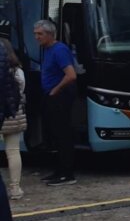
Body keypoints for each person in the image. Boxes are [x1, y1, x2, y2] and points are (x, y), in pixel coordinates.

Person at [33, 19, 77, 185]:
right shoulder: (47, 50)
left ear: (50, 34)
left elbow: (71, 75)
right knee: (54, 135)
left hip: (59, 96)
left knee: (62, 134)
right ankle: (58, 170)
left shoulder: (59, 50)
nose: (37, 37)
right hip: (50, 94)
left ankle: (67, 173)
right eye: (35, 34)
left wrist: (55, 90)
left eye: (40, 34)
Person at [1, 37, 27, 200]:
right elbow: (22, 90)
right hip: (15, 114)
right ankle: (15, 188)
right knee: (13, 151)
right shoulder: (18, 71)